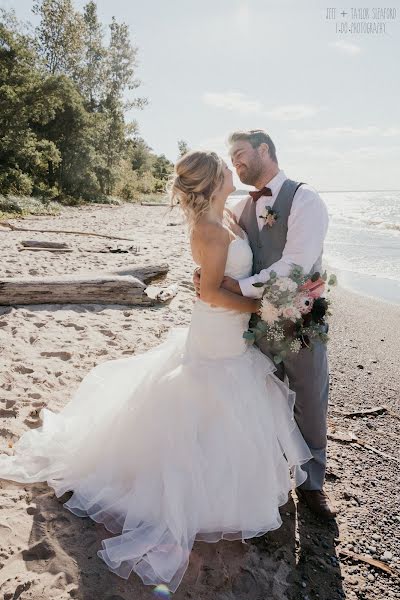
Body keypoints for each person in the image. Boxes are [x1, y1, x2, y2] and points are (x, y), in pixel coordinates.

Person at [0, 150, 313, 594]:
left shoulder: (226, 214)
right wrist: (264, 309)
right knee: (209, 397)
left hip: (230, 331)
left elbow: (220, 276)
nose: (232, 172)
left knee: (228, 404)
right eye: (226, 170)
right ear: (211, 182)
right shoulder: (208, 228)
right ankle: (196, 498)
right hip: (218, 331)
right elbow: (209, 295)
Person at [194, 130, 337, 520]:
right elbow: (223, 250)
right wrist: (205, 274)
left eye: (239, 153)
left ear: (264, 150)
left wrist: (236, 285)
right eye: (230, 157)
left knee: (308, 398)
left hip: (299, 318)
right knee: (265, 398)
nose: (235, 162)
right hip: (254, 324)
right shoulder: (239, 208)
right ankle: (271, 477)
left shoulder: (305, 199)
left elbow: (295, 265)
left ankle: (311, 485)